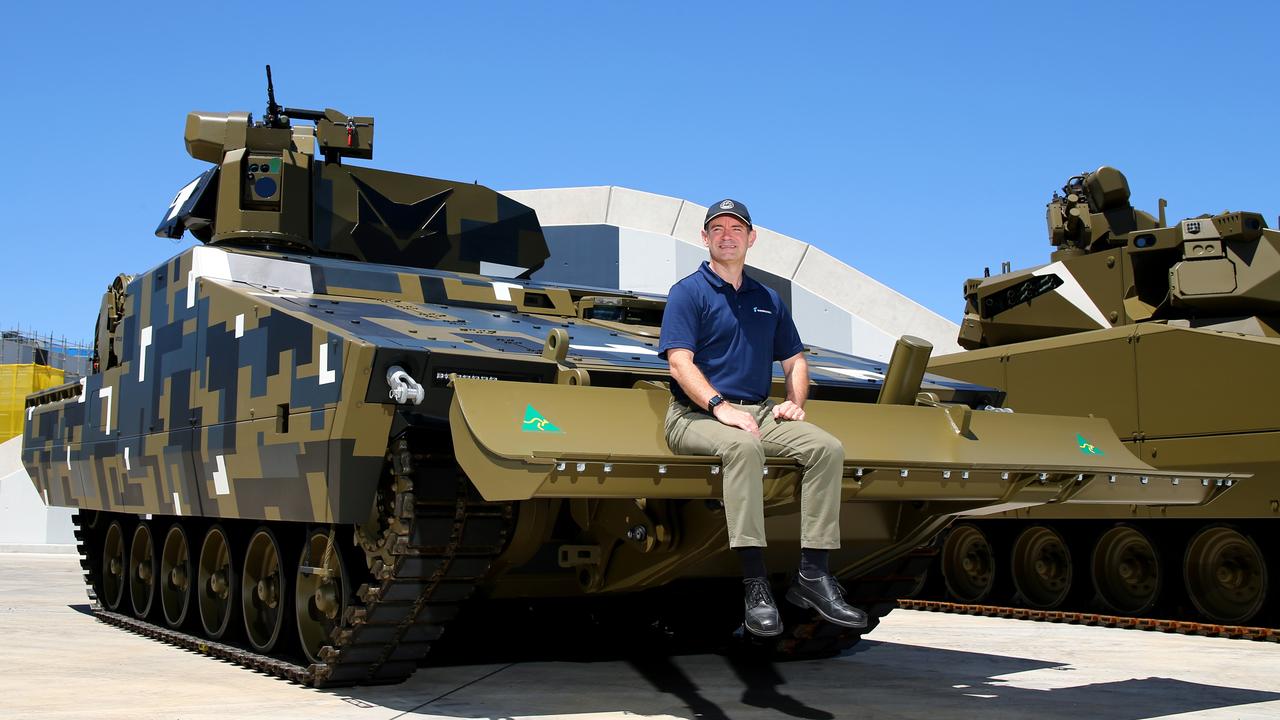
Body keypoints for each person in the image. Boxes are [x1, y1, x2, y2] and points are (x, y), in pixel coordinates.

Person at [658, 199, 867, 637]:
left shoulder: (767, 299)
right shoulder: (688, 292)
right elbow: (679, 362)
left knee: (826, 449)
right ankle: (755, 584)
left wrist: (794, 400)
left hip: (756, 411)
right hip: (694, 414)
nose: (727, 235)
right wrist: (720, 407)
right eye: (717, 229)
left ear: (751, 238)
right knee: (744, 446)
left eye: (736, 228)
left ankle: (813, 575)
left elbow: (795, 360)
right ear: (705, 238)